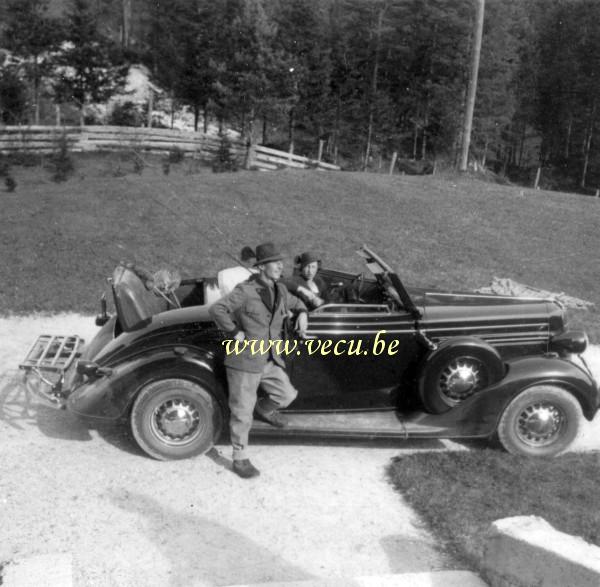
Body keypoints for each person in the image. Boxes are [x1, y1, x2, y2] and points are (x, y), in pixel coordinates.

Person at [209, 242, 308, 479]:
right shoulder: (245, 291)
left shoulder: (280, 289)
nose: (280, 266)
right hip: (244, 361)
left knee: (287, 395)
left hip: (269, 358)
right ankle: (239, 458)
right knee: (242, 412)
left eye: (281, 263)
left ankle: (263, 409)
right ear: (262, 267)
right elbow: (217, 309)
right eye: (275, 263)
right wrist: (235, 333)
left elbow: (295, 303)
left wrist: (303, 313)